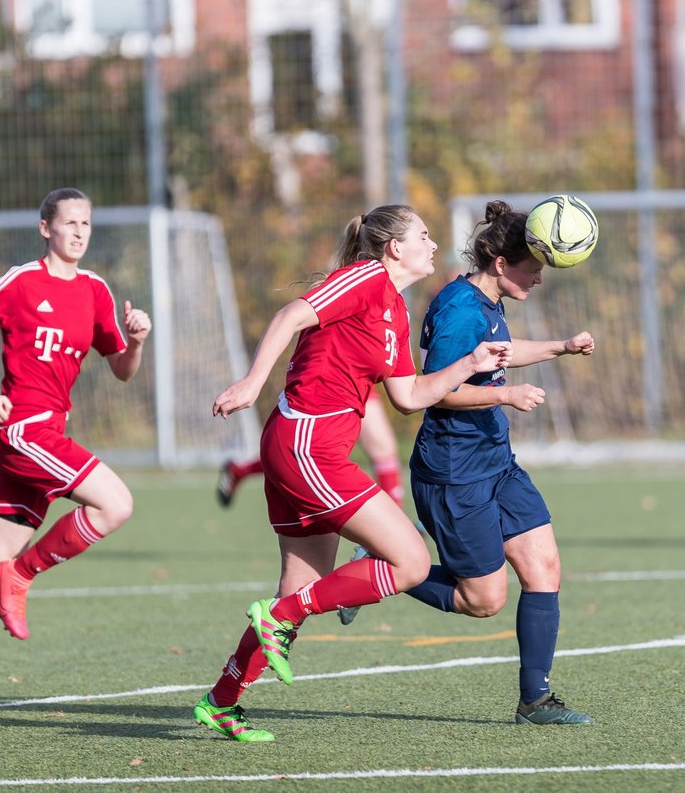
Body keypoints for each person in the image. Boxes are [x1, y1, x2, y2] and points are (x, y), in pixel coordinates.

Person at [193, 204, 511, 743]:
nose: (435, 246)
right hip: (307, 444)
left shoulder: (396, 307)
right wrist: (251, 381)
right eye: (425, 236)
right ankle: (278, 620)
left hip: (307, 446)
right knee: (408, 561)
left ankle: (222, 701)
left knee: (301, 588)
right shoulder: (364, 277)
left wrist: (468, 365)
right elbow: (293, 315)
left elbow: (409, 397)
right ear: (394, 248)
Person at [0, 188, 152, 700]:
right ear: (46, 228)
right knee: (116, 503)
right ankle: (24, 573)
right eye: (70, 223)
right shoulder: (22, 280)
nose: (80, 232)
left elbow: (122, 371)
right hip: (20, 429)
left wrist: (138, 339)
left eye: (87, 223)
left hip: (47, 431)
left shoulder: (96, 291)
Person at [388, 200, 596, 724]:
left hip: (495, 462)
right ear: (501, 264)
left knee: (544, 566)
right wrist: (504, 398)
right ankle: (384, 566)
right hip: (454, 471)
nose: (540, 280)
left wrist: (561, 347)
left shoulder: (484, 298)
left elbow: (500, 349)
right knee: (483, 601)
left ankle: (536, 701)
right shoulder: (459, 310)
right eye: (534, 269)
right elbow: (432, 393)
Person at [217, 396, 406, 510]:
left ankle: (240, 471)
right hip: (340, 376)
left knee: (384, 451)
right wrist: (255, 377)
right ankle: (397, 533)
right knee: (383, 450)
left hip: (362, 378)